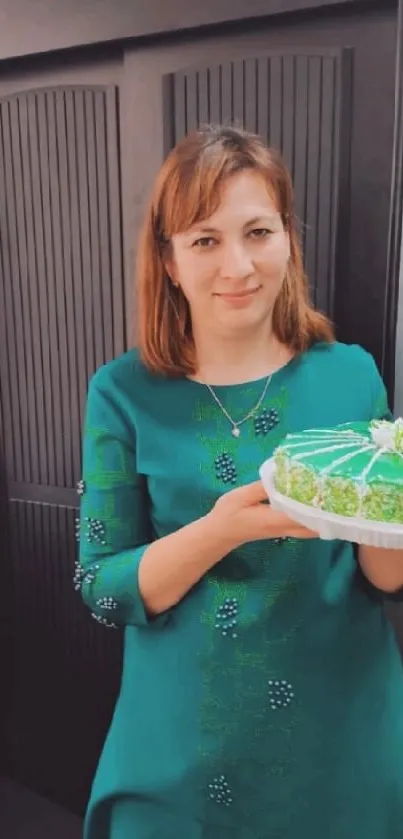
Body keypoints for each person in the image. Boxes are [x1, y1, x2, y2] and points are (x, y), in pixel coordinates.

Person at [76, 125, 403, 839]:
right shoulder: (122, 392)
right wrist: (217, 530)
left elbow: (383, 577)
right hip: (182, 743)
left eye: (257, 231)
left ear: (287, 236)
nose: (238, 265)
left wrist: (390, 508)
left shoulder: (349, 373)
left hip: (339, 732)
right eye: (204, 239)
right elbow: (102, 586)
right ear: (166, 258)